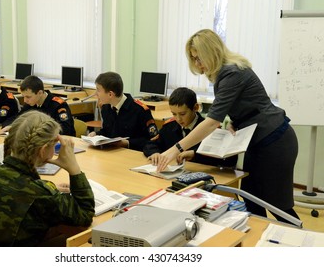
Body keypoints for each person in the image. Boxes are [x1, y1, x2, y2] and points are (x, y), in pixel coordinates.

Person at [157, 29, 300, 223]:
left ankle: (304, 245)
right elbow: (249, 104)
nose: (198, 65)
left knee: (276, 206)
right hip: (259, 140)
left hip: (274, 140)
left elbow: (212, 121)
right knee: (252, 200)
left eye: (199, 58)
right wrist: (235, 120)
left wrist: (177, 148)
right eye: (194, 59)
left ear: (211, 52)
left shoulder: (231, 73)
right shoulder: (227, 72)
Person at [0, 110, 95, 246]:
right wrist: (73, 168)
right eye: (54, 145)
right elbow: (85, 215)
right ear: (43, 150)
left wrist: (47, 189)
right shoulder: (41, 195)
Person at [143, 87, 237, 168]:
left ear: (195, 108)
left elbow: (229, 159)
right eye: (174, 114)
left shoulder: (210, 128)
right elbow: (150, 144)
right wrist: (155, 153)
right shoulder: (169, 126)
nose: (178, 119)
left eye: (182, 114)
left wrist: (195, 155)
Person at [88, 71, 159, 151]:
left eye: (98, 90)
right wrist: (96, 134)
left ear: (110, 94)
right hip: (112, 152)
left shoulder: (140, 110)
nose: (95, 94)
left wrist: (127, 143)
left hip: (133, 155)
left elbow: (153, 140)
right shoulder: (106, 107)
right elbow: (107, 131)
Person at [2, 75, 76, 136]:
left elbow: (65, 130)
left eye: (28, 97)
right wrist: (11, 126)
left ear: (40, 93)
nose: (25, 100)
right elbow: (18, 117)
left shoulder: (58, 105)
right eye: (23, 96)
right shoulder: (31, 104)